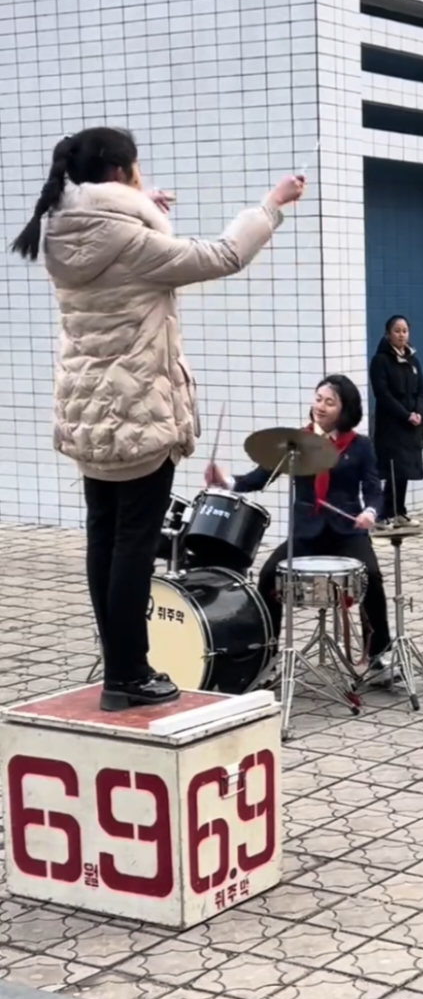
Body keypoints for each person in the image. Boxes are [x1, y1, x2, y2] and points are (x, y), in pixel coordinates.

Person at [11, 126, 304, 711]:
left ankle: (118, 664)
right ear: (122, 174)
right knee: (133, 547)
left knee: (105, 538)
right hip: (137, 413)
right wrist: (272, 205)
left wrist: (150, 214)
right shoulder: (130, 243)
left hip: (89, 412)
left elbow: (122, 245)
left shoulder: (64, 232)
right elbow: (224, 254)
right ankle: (128, 675)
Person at [205, 374, 392, 670]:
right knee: (268, 576)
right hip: (306, 531)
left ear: (345, 409)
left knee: (371, 575)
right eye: (318, 399)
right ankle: (267, 654)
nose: (321, 406)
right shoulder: (297, 441)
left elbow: (372, 488)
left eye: (330, 402)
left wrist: (370, 511)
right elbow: (260, 477)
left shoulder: (360, 445)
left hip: (346, 532)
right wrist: (226, 481)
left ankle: (381, 652)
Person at [370, 315, 423, 523]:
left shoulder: (413, 360)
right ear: (388, 334)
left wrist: (418, 412)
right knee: (393, 470)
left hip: (411, 424)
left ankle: (399, 511)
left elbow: (422, 390)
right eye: (397, 331)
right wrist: (405, 415)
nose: (401, 335)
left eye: (405, 331)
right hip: (392, 424)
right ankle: (385, 514)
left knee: (404, 470)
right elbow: (382, 394)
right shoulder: (380, 361)